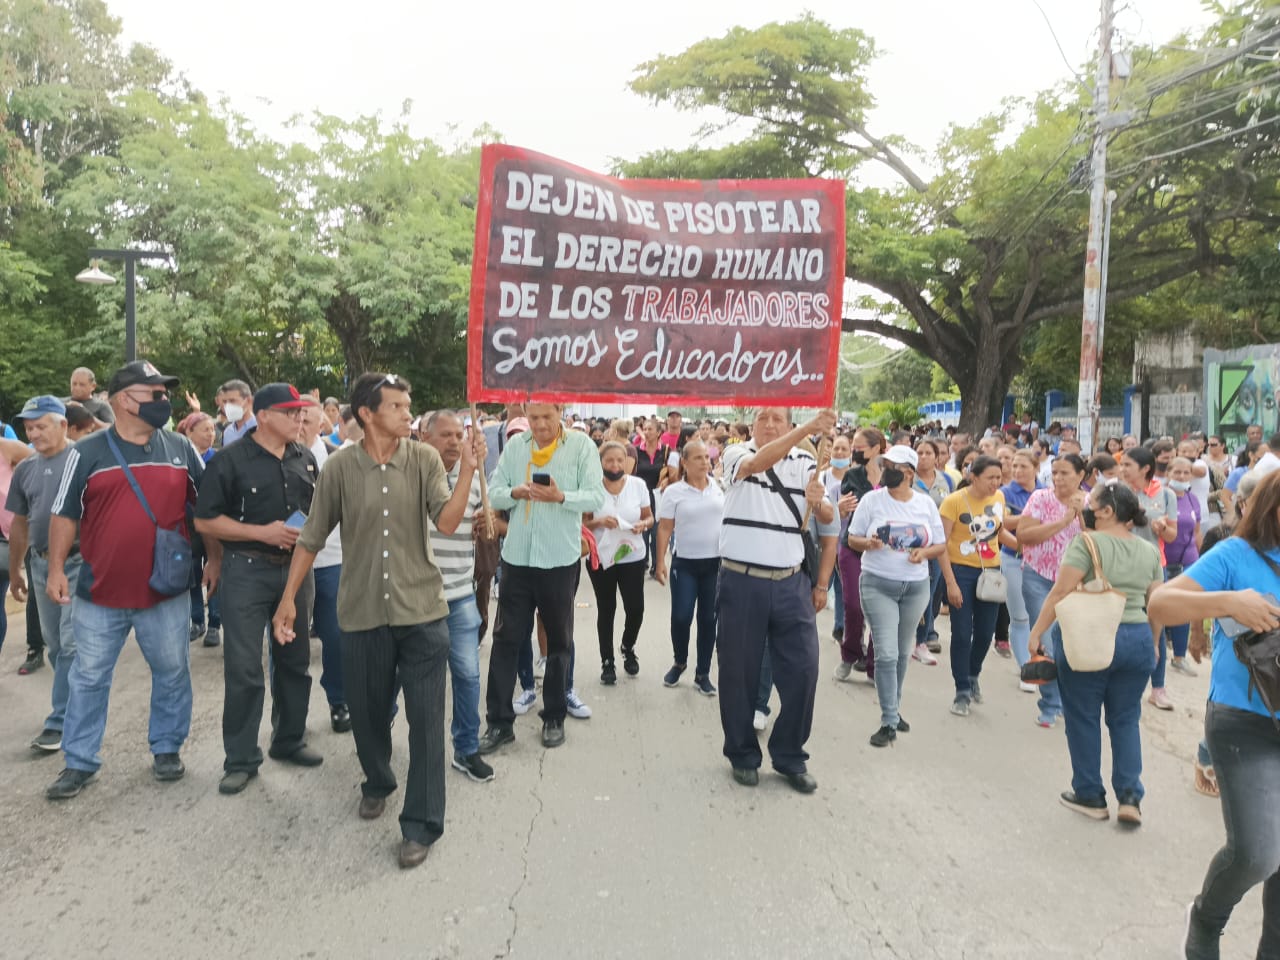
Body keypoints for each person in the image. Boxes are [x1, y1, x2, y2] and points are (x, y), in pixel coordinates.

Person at [272, 372, 486, 870]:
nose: (407, 413)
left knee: (428, 722)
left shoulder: (425, 459)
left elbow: (448, 522)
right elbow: (311, 536)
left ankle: (421, 824)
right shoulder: (341, 469)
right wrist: (288, 601)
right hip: (363, 612)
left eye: (408, 405)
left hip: (422, 612)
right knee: (367, 716)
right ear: (367, 414)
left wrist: (470, 473)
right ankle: (378, 780)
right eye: (396, 406)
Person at [44, 360, 209, 800]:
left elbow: (209, 509)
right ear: (121, 400)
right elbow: (64, 514)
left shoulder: (179, 447)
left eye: (164, 394)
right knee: (89, 677)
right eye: (153, 394)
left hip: (166, 591)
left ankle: (167, 748)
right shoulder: (86, 452)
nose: (163, 401)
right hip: (100, 592)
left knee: (173, 671)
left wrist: (217, 561)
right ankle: (79, 761)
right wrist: (57, 569)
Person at [1149, 471, 1280, 958]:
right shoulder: (1237, 556)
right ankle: (1205, 919)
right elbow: (1160, 602)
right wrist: (1228, 602)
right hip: (1244, 721)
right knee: (1258, 853)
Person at [195, 383, 321, 795]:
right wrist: (260, 534)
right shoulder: (230, 461)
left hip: (296, 573)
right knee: (245, 667)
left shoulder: (305, 458)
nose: (299, 418)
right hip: (246, 570)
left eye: (302, 412)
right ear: (264, 415)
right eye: (290, 412)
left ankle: (288, 739)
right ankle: (242, 758)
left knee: (294, 660)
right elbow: (206, 521)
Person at [717, 406, 836, 793]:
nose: (770, 425)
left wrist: (818, 501)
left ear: (787, 423)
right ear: (752, 424)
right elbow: (757, 464)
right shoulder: (735, 453)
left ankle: (789, 754)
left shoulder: (806, 460)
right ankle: (742, 754)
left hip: (790, 583)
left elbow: (828, 515)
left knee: (804, 670)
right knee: (739, 673)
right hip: (741, 580)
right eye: (763, 418)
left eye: (778, 420)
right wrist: (806, 428)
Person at [1028, 480, 1162, 825]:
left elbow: (1060, 593)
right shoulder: (1148, 550)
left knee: (1083, 715)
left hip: (1091, 636)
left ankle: (1090, 794)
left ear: (1106, 511)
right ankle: (1130, 797)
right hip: (1138, 638)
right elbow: (1157, 605)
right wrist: (1155, 643)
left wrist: (1037, 632)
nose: (1086, 505)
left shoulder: (1086, 543)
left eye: (1092, 502)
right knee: (1125, 718)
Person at [480, 402, 603, 753]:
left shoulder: (581, 447)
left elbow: (596, 496)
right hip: (517, 559)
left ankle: (553, 716)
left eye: (547, 417)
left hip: (559, 560)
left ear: (560, 412)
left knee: (559, 642)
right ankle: (499, 723)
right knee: (505, 641)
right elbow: (494, 491)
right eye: (533, 418)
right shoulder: (516, 447)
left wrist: (560, 496)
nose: (540, 424)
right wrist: (516, 492)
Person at [846, 444, 945, 747]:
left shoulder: (925, 504)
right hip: (878, 583)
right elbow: (852, 538)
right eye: (884, 464)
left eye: (891, 466)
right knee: (886, 653)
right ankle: (889, 719)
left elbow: (939, 545)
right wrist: (869, 543)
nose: (884, 469)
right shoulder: (872, 501)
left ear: (908, 473)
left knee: (903, 653)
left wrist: (923, 553)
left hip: (915, 587)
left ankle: (894, 708)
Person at [422, 410, 495, 783]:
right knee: (401, 678)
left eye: (458, 434)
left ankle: (466, 749)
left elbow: (484, 532)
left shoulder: (479, 479)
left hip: (460, 595)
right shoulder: (415, 476)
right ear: (425, 436)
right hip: (417, 599)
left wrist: (487, 523)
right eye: (445, 435)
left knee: (467, 676)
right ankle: (379, 743)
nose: (453, 441)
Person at [6, 397, 76, 751]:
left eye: (40, 425)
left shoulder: (85, 459)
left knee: (71, 644)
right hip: (39, 562)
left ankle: (61, 720)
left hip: (80, 563)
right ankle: (78, 704)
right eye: (28, 427)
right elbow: (20, 523)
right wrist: (17, 568)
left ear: (63, 425)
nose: (33, 433)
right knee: (56, 645)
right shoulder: (26, 469)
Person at [1015, 454, 1085, 727]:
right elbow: (1024, 535)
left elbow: (1097, 541)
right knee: (1047, 640)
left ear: (1081, 475)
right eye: (1054, 472)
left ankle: (1069, 702)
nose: (1057, 478)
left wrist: (1080, 516)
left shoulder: (1092, 502)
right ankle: (1050, 704)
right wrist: (1063, 521)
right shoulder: (1041, 499)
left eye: (1065, 473)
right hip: (1038, 577)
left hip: (1075, 584)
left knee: (1070, 644)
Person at [655, 439, 724, 696]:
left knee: (708, 619)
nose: (705, 462)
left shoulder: (718, 487)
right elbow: (664, 528)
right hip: (684, 564)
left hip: (715, 564)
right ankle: (679, 661)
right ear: (684, 462)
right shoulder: (674, 492)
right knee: (682, 616)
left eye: (707, 457)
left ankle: (702, 673)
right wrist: (660, 561)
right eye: (698, 458)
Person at [939, 454, 1006, 716]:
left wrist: (1023, 542)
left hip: (991, 572)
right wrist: (951, 583)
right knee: (962, 631)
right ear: (973, 477)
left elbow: (998, 532)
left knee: (985, 633)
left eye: (999, 478)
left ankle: (973, 673)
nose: (995, 483)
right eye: (990, 478)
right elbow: (941, 543)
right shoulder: (953, 502)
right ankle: (962, 690)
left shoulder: (998, 499)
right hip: (961, 572)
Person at [584, 441, 654, 683]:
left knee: (636, 608)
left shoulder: (638, 485)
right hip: (602, 556)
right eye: (609, 460)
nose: (615, 465)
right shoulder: (591, 488)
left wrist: (644, 525)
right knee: (607, 608)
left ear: (627, 461)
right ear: (600, 462)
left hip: (632, 555)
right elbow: (581, 524)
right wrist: (600, 522)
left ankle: (627, 645)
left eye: (619, 460)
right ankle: (607, 661)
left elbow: (649, 517)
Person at [297, 400, 347, 730]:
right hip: (290, 562)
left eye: (306, 419)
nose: (299, 424)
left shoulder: (337, 458)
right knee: (291, 641)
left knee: (335, 636)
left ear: (323, 423)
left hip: (331, 559)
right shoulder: (275, 456)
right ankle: (291, 716)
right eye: (294, 417)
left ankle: (339, 700)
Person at [1121, 446, 1178, 710]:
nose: (1123, 470)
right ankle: (1122, 685)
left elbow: (1171, 536)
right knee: (1123, 622)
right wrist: (1134, 521)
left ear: (1145, 469)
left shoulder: (1165, 494)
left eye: (1128, 465)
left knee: (1157, 622)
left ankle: (1158, 688)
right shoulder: (1118, 492)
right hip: (1122, 564)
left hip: (1156, 565)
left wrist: (1162, 528)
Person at [835, 427, 886, 681]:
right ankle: (850, 653)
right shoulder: (853, 475)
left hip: (883, 551)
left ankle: (874, 666)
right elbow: (849, 509)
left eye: (859, 447)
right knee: (854, 607)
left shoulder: (893, 474)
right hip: (853, 546)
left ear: (876, 447)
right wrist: (841, 509)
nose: (855, 451)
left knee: (880, 610)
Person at [1163, 456, 1203, 680]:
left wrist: (1202, 555)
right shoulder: (1162, 496)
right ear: (1168, 473)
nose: (1181, 477)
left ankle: (1179, 656)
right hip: (1164, 561)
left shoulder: (1193, 499)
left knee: (1184, 608)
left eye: (1186, 473)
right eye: (1177, 472)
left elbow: (1196, 531)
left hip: (1188, 560)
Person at [914, 438, 952, 660]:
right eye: (920, 452)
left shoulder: (945, 480)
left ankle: (923, 638)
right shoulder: (908, 479)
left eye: (929, 453)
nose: (924, 456)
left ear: (937, 457)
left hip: (936, 546)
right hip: (912, 545)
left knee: (928, 594)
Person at [217, 379, 256, 446]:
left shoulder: (261, 429)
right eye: (225, 402)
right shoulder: (227, 432)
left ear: (249, 400)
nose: (227, 405)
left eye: (232, 401)